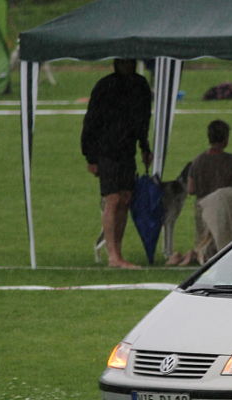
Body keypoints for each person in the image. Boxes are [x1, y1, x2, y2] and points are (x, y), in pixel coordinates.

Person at [81, 58, 152, 269]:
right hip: (106, 149)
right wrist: (90, 157)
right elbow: (91, 120)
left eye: (129, 61)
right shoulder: (104, 86)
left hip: (127, 150)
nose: (126, 65)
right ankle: (113, 256)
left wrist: (144, 146)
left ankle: (118, 253)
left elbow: (143, 119)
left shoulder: (140, 85)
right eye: (122, 62)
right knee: (112, 199)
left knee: (125, 199)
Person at [170, 120, 232, 266]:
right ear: (226, 139)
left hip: (203, 208)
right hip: (225, 209)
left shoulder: (198, 161)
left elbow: (191, 189)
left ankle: (193, 256)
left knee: (203, 244)